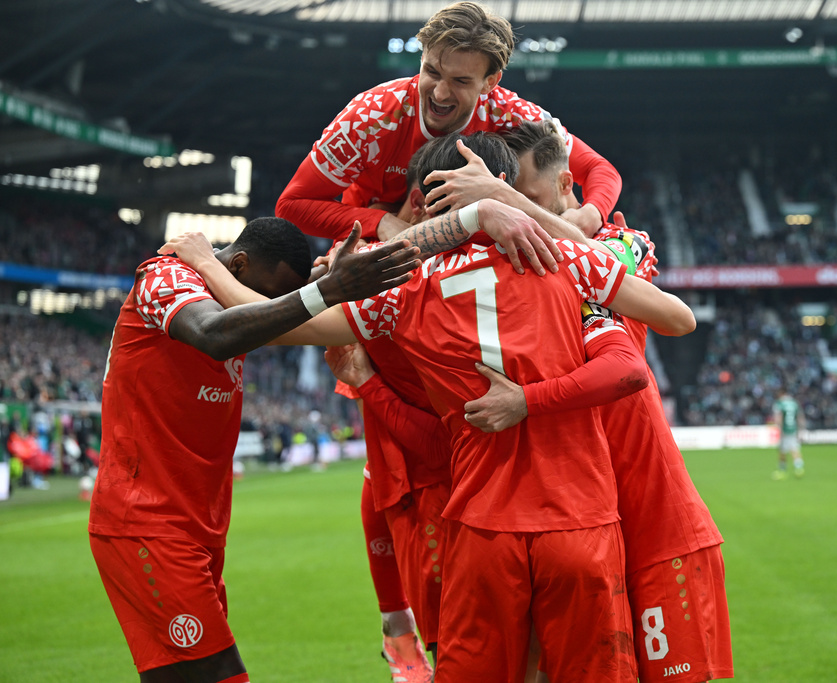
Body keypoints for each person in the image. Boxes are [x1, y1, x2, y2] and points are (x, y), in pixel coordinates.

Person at [165, 131, 696, 683]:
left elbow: (283, 324)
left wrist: (208, 263)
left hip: (481, 524)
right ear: (504, 184)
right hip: (580, 517)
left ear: (422, 197)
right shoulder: (565, 256)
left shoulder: (403, 285)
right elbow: (677, 319)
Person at [88, 217, 421, 683]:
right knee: (220, 674)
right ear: (238, 265)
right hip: (146, 520)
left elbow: (274, 309)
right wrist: (324, 292)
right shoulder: (166, 277)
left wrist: (330, 281)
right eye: (262, 292)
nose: (263, 309)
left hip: (197, 525)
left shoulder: (232, 285)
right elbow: (212, 333)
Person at [465, 120, 733, 683]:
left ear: (567, 184)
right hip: (578, 528)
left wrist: (498, 201)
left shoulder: (620, 245)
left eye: (526, 199)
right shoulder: (517, 274)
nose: (514, 218)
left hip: (653, 525)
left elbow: (651, 315)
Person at [275, 1, 621, 243]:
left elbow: (599, 170)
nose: (440, 93)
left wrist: (590, 215)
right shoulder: (368, 119)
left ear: (491, 82)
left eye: (461, 81)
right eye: (432, 72)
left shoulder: (510, 113)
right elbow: (291, 206)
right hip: (380, 244)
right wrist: (379, 222)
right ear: (421, 58)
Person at [772, 389, 805, 479]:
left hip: (784, 430)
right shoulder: (795, 403)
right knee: (794, 448)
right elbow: (800, 417)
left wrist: (779, 428)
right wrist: (801, 429)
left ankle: (782, 471)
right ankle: (799, 468)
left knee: (782, 450)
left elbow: (779, 418)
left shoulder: (779, 404)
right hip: (793, 429)